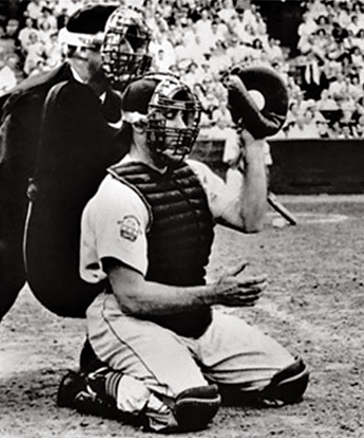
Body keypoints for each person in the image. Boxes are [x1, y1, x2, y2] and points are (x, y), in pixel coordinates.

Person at [57, 74, 308, 432]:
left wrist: (254, 143)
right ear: (140, 124)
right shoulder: (118, 195)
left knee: (288, 380)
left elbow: (250, 219)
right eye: (172, 116)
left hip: (191, 317)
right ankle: (93, 383)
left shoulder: (195, 174)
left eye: (186, 116)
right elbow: (130, 297)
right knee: (190, 407)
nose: (183, 126)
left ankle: (180, 368)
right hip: (130, 320)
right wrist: (215, 293)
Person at [0, 4, 152, 344]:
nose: (135, 54)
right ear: (82, 48)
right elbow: (2, 177)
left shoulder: (111, 100)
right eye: (125, 43)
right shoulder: (34, 99)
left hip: (66, 217)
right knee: (0, 271)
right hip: (10, 217)